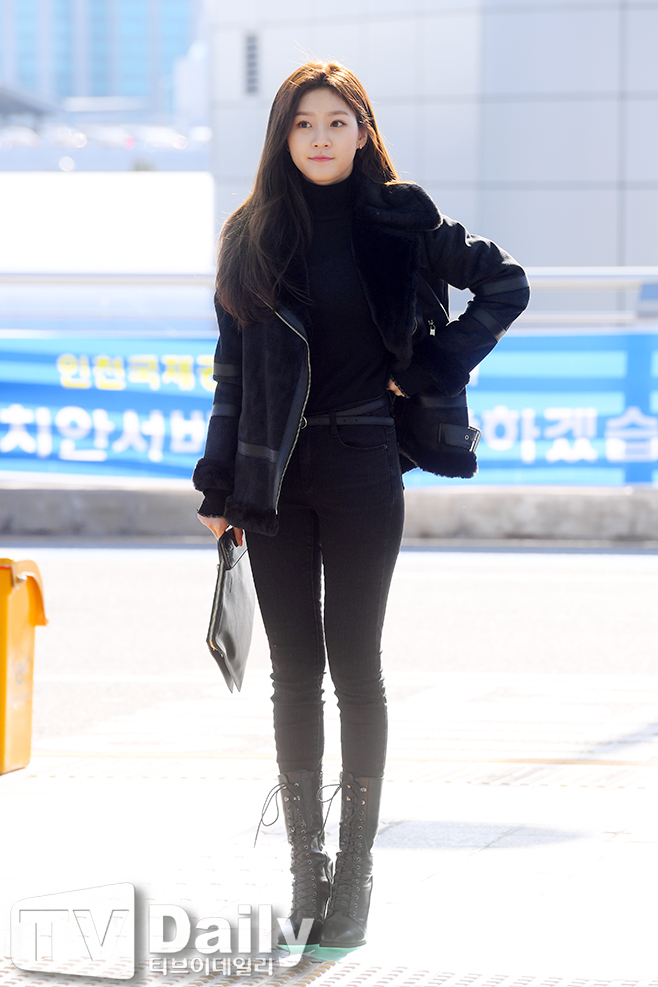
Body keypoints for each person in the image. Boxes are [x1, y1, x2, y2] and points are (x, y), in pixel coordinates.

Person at [194, 61, 529, 959]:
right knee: (292, 674)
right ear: (282, 135)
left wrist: (433, 366)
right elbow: (232, 376)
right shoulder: (251, 234)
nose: (320, 138)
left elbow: (505, 284)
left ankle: (356, 875)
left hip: (363, 463)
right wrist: (217, 485)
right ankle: (306, 874)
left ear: (362, 130)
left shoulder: (400, 220)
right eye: (304, 123)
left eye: (337, 122)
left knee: (355, 669)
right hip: (272, 478)